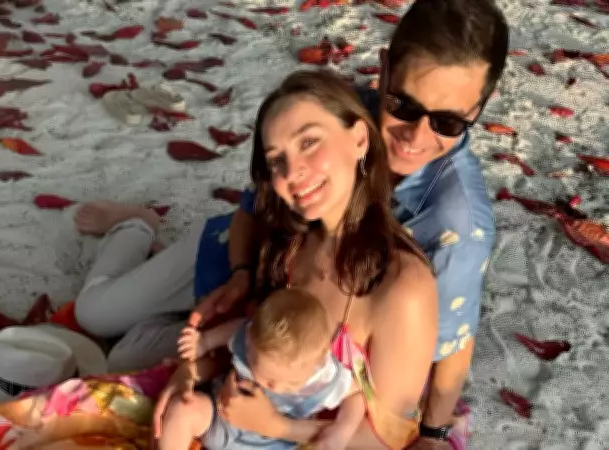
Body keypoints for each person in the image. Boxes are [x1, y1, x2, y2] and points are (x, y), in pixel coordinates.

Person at [76, 0, 508, 447]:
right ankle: (136, 226)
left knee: (127, 355)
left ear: (479, 106)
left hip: (298, 343)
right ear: (383, 73)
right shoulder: (333, 115)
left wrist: (433, 432)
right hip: (247, 269)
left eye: (448, 121)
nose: (415, 136)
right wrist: (240, 276)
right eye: (403, 105)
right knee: (96, 316)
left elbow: (451, 342)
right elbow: (255, 208)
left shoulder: (454, 227)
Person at [153, 68, 438, 449]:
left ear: (359, 139)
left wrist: (277, 427)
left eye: (309, 142)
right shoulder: (291, 242)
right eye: (277, 160)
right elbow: (257, 348)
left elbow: (387, 439)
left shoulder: (403, 288)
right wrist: (192, 371)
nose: (293, 173)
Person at [161, 289, 364, 450]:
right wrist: (205, 342)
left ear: (318, 362)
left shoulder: (322, 377)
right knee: (181, 409)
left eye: (292, 383)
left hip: (270, 444)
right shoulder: (248, 337)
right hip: (219, 417)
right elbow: (235, 329)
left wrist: (343, 429)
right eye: (267, 378)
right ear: (250, 342)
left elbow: (357, 393)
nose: (277, 387)